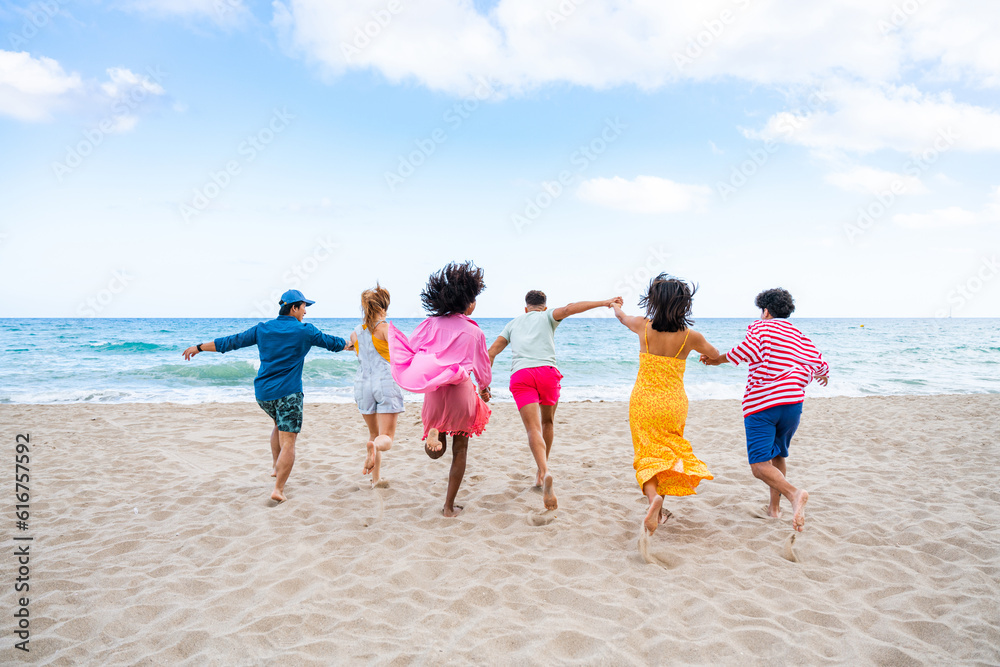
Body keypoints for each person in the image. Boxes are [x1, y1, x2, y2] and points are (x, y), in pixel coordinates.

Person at [181, 289, 351, 503]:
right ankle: (278, 489)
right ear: (294, 307)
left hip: (263, 394)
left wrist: (199, 347)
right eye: (304, 307)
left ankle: (275, 465)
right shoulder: (305, 331)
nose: (305, 312)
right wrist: (352, 344)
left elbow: (231, 342)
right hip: (288, 393)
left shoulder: (262, 329)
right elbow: (332, 343)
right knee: (289, 441)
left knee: (278, 426)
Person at [701, 287, 828, 532]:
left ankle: (793, 494)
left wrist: (718, 359)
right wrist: (822, 375)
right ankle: (774, 509)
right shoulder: (798, 334)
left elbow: (748, 351)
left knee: (759, 466)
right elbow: (819, 361)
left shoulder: (760, 327)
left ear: (766, 311)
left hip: (763, 404)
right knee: (778, 454)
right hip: (792, 404)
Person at [487, 290, 623, 511]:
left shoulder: (513, 323)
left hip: (522, 375)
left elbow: (491, 352)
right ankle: (542, 473)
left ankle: (543, 470)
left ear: (525, 308)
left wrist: (484, 384)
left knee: (533, 429)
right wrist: (604, 302)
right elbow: (570, 308)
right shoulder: (549, 316)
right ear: (544, 306)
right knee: (547, 422)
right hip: (547, 373)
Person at [612, 274, 718, 535]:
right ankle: (658, 509)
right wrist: (706, 357)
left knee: (646, 454)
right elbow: (715, 355)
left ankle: (654, 502)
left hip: (643, 400)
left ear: (653, 302)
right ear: (684, 304)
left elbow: (621, 317)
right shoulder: (690, 336)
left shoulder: (642, 325)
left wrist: (615, 305)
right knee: (667, 451)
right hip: (673, 403)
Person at [387, 261, 492, 517]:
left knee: (437, 450)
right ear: (468, 301)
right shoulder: (473, 331)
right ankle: (448, 507)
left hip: (434, 389)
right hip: (461, 391)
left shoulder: (429, 325)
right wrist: (485, 388)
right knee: (460, 450)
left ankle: (434, 432)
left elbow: (412, 351)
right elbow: (482, 367)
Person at [349, 284, 404, 488]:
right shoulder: (386, 330)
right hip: (385, 383)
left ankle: (375, 480)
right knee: (386, 437)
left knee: (374, 434)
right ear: (383, 308)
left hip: (362, 386)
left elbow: (351, 347)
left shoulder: (356, 332)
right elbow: (405, 353)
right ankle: (374, 451)